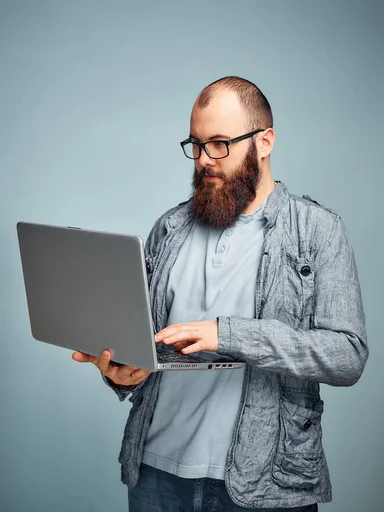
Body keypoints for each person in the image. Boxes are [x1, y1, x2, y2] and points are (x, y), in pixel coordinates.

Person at [73, 76, 368, 512]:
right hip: (156, 476)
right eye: (195, 144)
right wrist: (120, 371)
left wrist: (228, 334)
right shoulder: (168, 229)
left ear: (264, 142)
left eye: (220, 144)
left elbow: (347, 355)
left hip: (265, 485)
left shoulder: (318, 231)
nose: (204, 159)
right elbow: (149, 341)